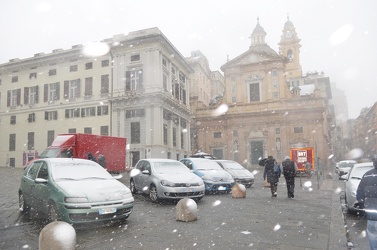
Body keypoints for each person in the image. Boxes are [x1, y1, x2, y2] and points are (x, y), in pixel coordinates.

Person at [356, 157, 377, 250]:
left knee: (372, 235)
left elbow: (359, 193)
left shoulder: (367, 175)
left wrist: (364, 204)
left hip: (371, 214)